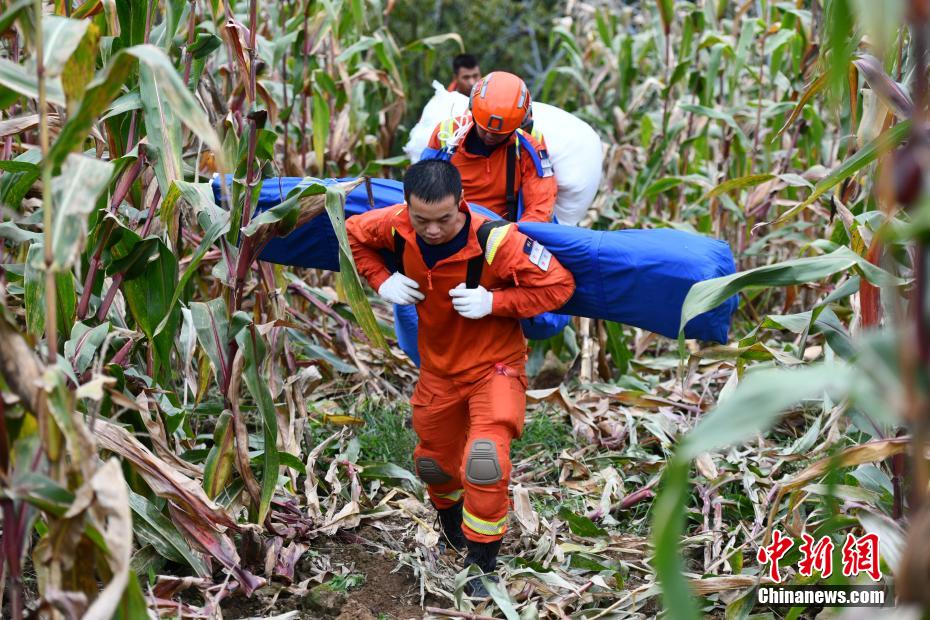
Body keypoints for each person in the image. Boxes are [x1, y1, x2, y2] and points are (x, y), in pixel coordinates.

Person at [346, 160, 575, 597]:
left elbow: (558, 286)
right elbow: (353, 233)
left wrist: (494, 302)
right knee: (432, 465)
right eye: (422, 220)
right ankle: (451, 529)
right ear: (407, 208)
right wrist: (381, 279)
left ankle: (482, 565)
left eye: (444, 219)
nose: (432, 230)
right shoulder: (394, 225)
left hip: (495, 367)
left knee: (484, 461)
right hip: (439, 370)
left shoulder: (497, 240)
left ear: (462, 203)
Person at [425, 71, 557, 223]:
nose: (489, 136)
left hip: (500, 230)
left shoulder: (529, 149)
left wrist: (514, 234)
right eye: (484, 130)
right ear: (473, 112)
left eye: (498, 134)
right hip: (449, 225)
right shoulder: (447, 135)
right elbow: (423, 188)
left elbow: (540, 206)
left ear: (517, 126)